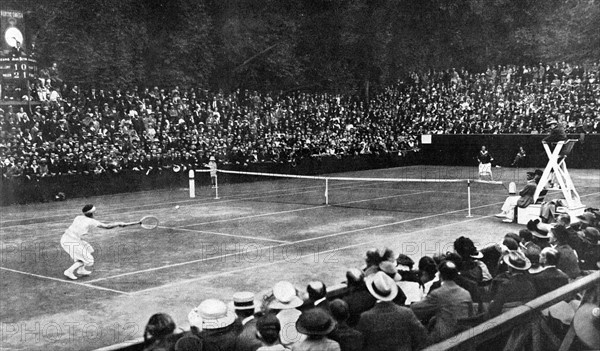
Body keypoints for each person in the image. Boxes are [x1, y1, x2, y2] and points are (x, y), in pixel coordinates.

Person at [61, 204, 139, 280]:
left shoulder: (78, 217)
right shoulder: (91, 221)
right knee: (89, 260)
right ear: (92, 213)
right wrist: (118, 224)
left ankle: (81, 270)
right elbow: (107, 227)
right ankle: (69, 271)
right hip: (70, 241)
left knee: (89, 250)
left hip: (67, 238)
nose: (96, 213)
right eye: (95, 212)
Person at [356, 272, 427, 351]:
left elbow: (359, 344)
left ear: (373, 292)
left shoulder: (365, 317)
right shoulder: (406, 313)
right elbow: (422, 337)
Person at [411, 261, 474, 343]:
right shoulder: (466, 293)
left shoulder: (438, 294)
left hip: (445, 341)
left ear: (440, 275)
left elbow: (415, 310)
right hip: (464, 337)